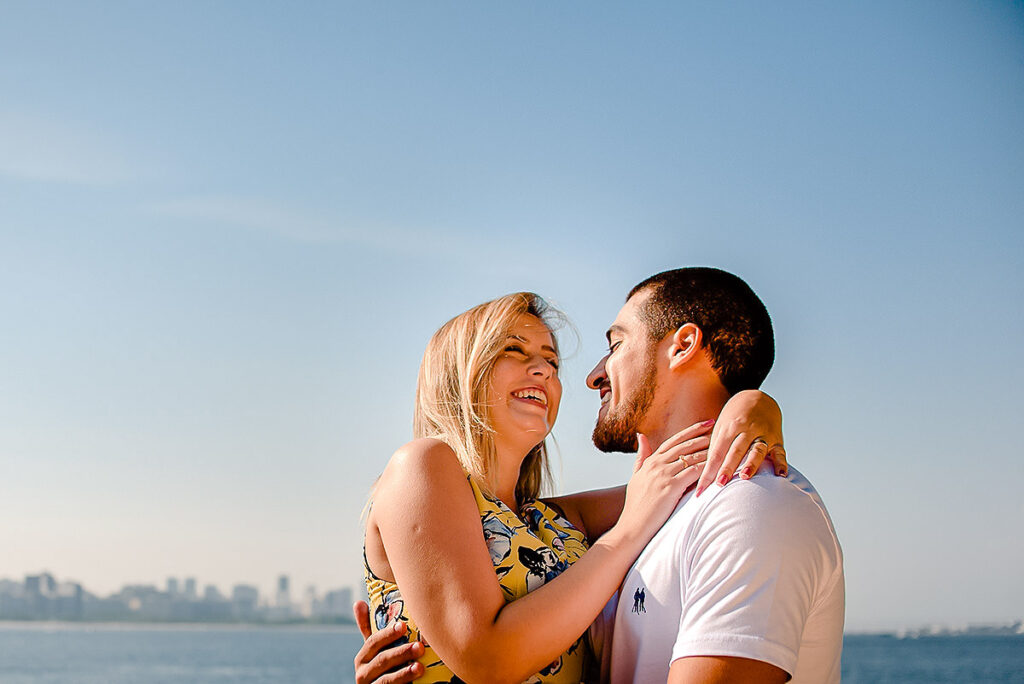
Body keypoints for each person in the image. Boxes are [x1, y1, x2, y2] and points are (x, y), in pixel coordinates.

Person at [356, 287, 787, 684]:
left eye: (552, 361)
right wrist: (625, 535)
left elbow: (688, 476)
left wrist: (755, 404)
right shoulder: (420, 464)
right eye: (513, 349)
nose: (542, 368)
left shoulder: (549, 522)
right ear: (458, 371)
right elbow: (486, 659)